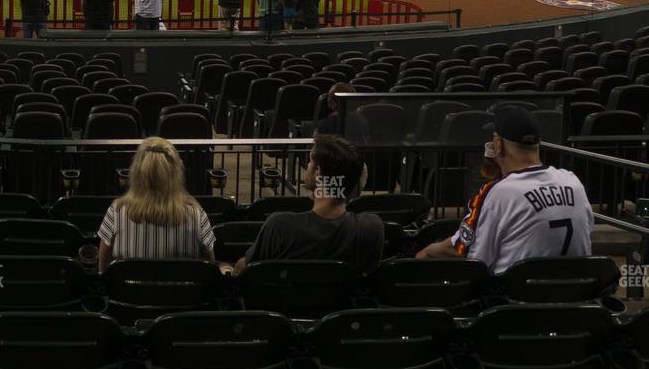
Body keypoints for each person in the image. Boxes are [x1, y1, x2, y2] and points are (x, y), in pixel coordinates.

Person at [415, 109, 592, 274]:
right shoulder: (572, 180)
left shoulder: (498, 192)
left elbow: (463, 249)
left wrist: (427, 252)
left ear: (498, 144)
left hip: (516, 300)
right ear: (537, 144)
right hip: (577, 295)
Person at [233, 134, 384, 277]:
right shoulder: (372, 228)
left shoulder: (279, 226)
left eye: (310, 161)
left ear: (318, 172)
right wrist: (349, 187)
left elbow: (246, 271)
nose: (307, 165)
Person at [97, 137, 216, 271]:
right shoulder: (197, 214)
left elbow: (102, 270)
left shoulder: (116, 211)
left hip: (127, 292)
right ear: (176, 174)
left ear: (136, 172)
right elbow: (210, 270)